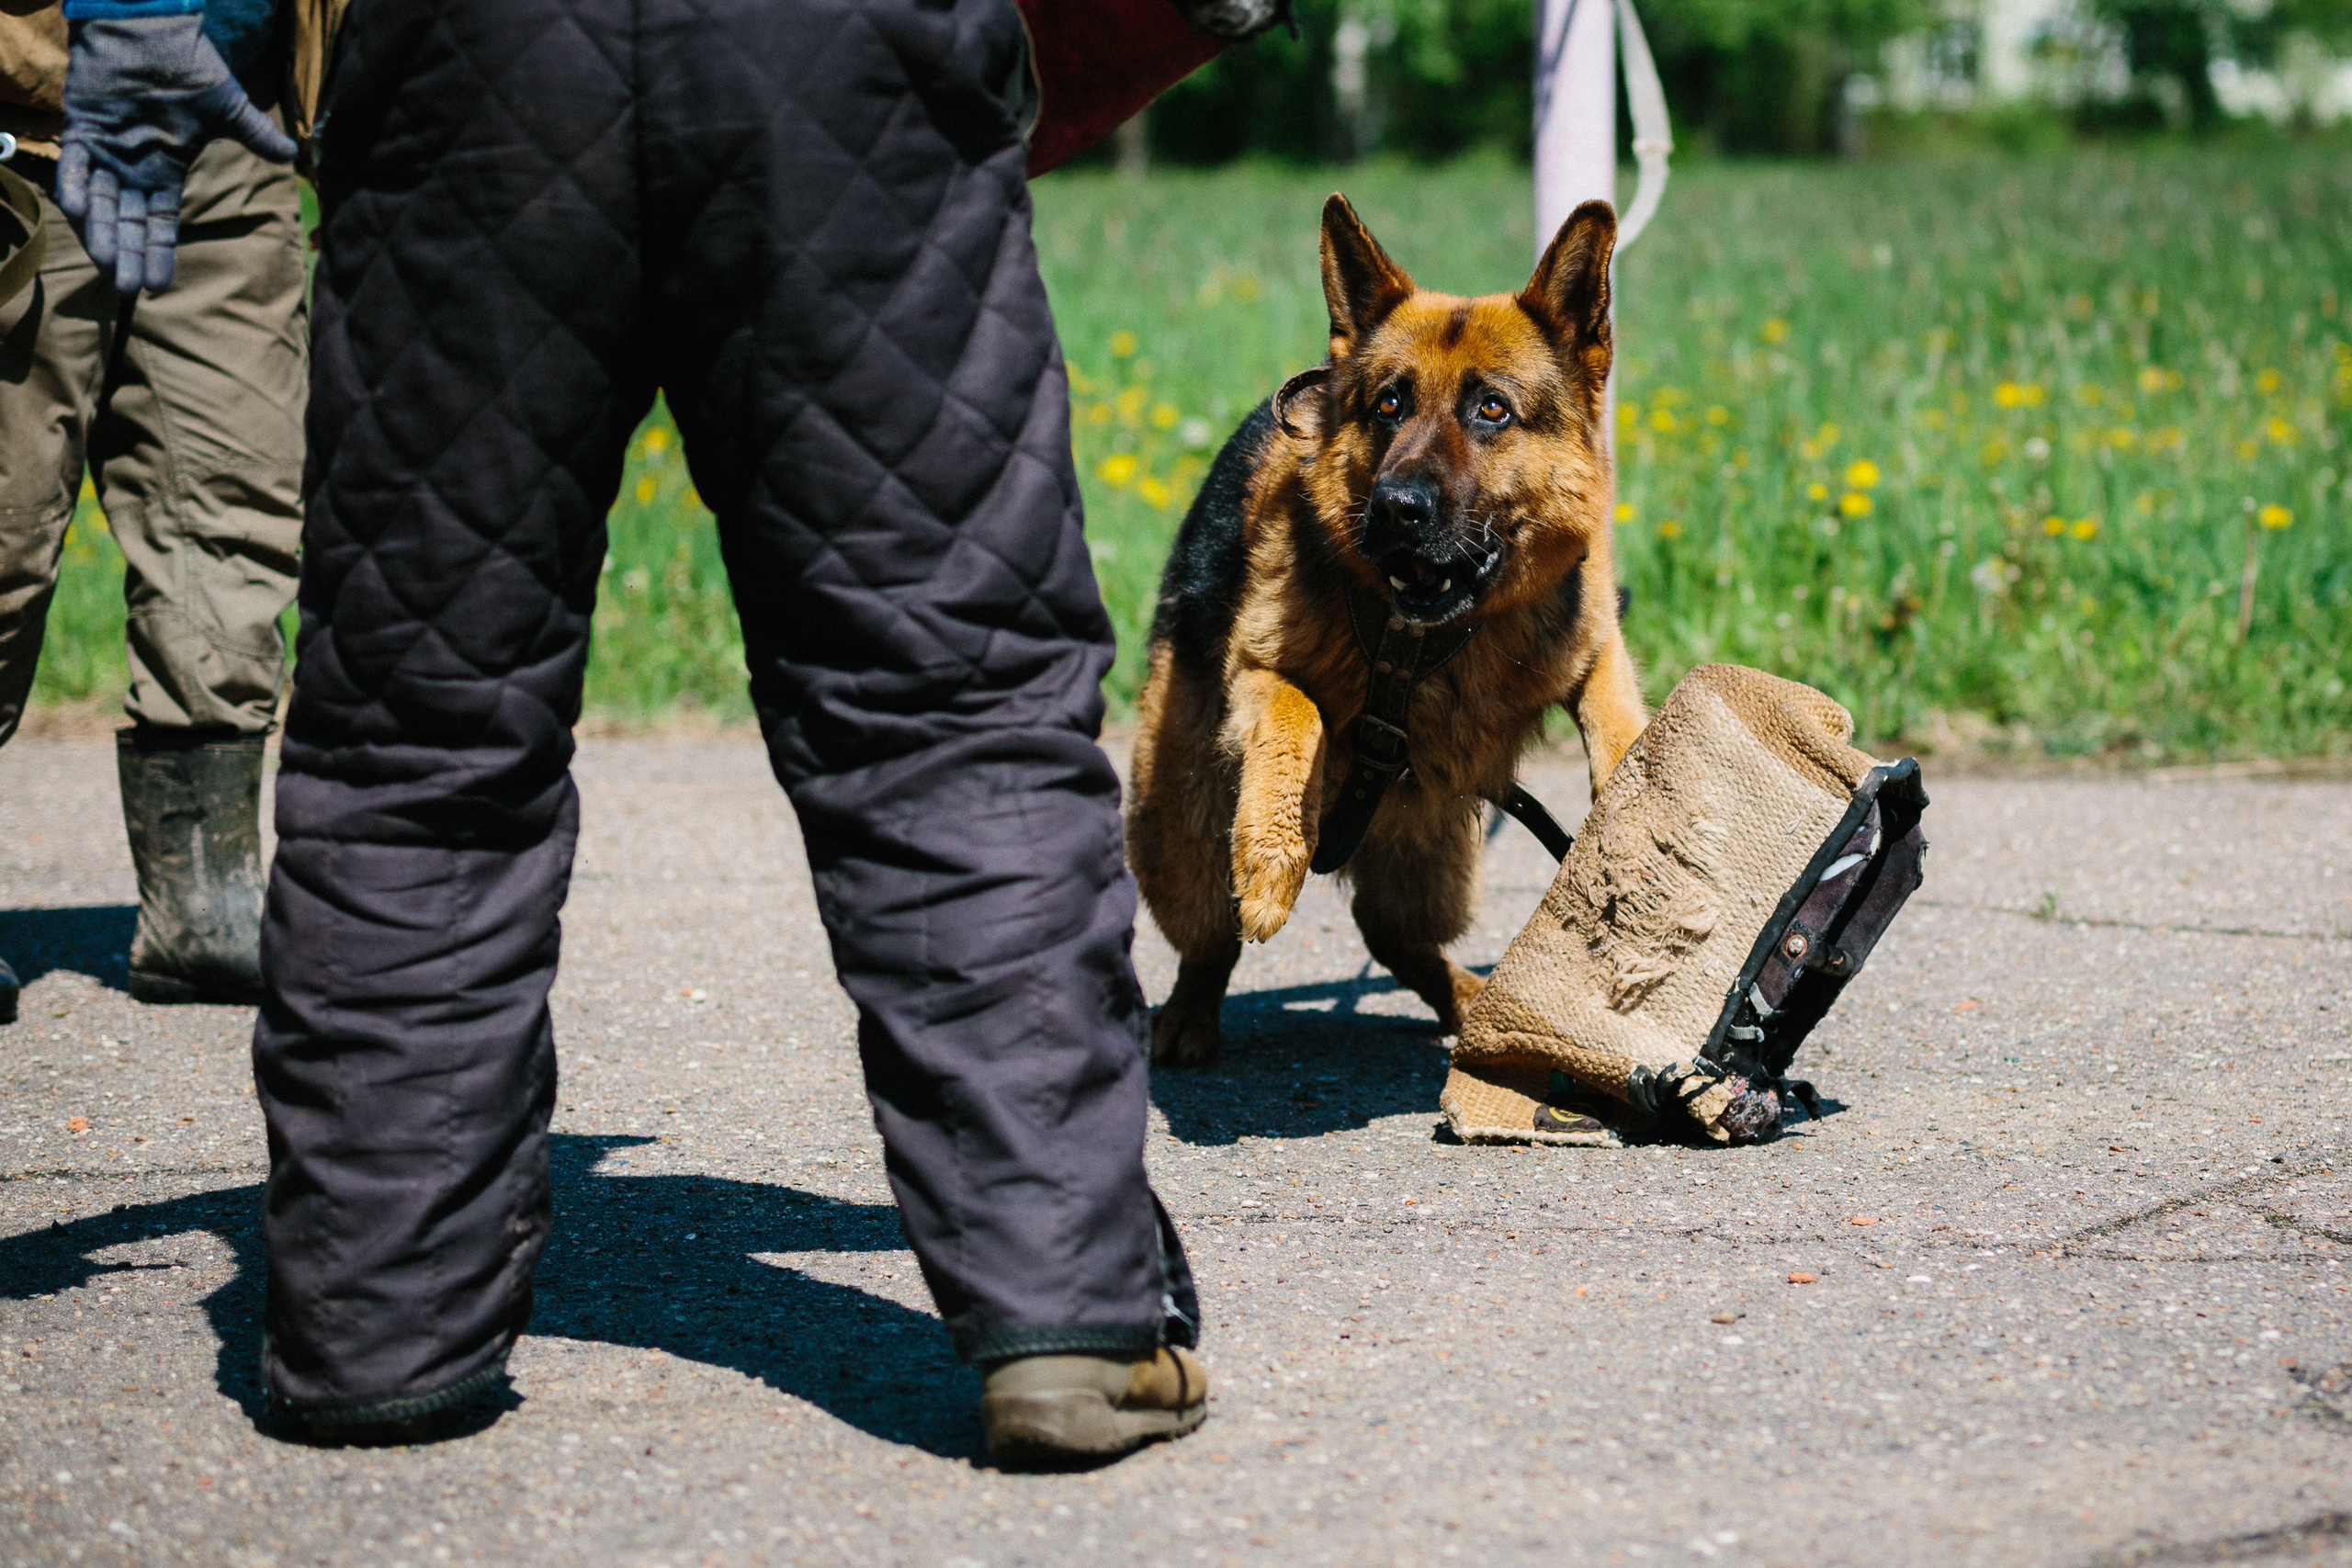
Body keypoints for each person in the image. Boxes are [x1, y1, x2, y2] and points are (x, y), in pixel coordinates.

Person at [233, 0, 1280, 1461]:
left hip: (470, 60)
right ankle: (1071, 1319)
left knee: (423, 729)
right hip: (837, 51)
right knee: (944, 706)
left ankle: (373, 1319)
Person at [0, 0, 333, 1023]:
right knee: (4, 526)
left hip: (234, 119)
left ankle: (203, 903)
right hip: (34, 120)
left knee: (232, 517)